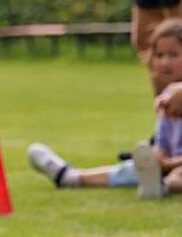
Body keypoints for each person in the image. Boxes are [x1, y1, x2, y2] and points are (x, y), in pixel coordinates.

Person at [28, 18, 182, 198]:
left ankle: (163, 187)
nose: (165, 62)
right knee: (130, 169)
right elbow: (162, 141)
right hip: (169, 163)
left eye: (174, 55)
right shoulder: (164, 99)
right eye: (159, 55)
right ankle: (72, 177)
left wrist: (170, 163)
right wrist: (158, 157)